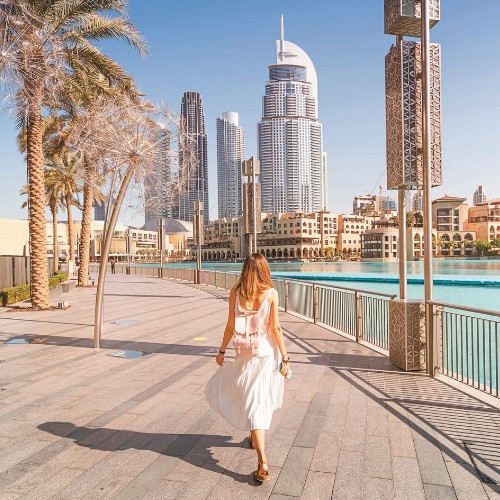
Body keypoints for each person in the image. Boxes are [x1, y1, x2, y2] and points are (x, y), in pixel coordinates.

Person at [205, 253, 290, 482]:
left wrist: (222, 351)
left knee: (252, 400)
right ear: (264, 270)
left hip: (244, 354)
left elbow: (230, 326)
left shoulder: (235, 292)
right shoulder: (271, 294)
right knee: (257, 401)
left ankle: (257, 445)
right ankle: (262, 461)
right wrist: (284, 356)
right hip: (265, 355)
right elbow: (275, 329)